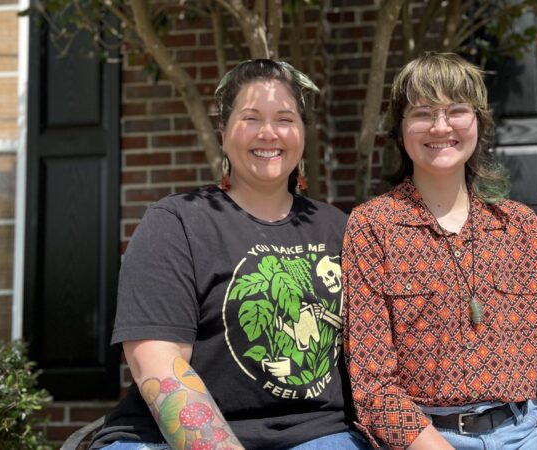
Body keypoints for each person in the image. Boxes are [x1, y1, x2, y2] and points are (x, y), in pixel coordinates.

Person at [342, 52, 537, 450]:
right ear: (400, 129)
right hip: (428, 438)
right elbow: (373, 385)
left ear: (478, 122)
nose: (441, 126)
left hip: (527, 435)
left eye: (456, 111)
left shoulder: (519, 228)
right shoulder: (372, 228)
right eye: (423, 113)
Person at [90, 59, 367, 450]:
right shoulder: (177, 223)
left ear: (302, 134)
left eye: (285, 119)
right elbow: (157, 362)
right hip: (170, 438)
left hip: (317, 435)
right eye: (251, 118)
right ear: (223, 133)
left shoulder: (337, 228)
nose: (268, 133)